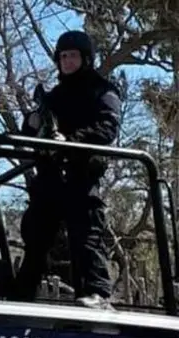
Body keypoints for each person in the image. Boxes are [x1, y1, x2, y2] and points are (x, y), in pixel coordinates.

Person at [12, 30, 121, 309]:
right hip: (51, 176)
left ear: (85, 58)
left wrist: (71, 142)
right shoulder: (55, 96)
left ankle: (98, 293)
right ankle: (22, 294)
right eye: (63, 56)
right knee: (36, 234)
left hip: (82, 173)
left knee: (86, 235)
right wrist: (33, 122)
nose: (68, 61)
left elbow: (107, 128)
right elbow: (35, 130)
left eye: (73, 55)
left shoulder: (103, 90)